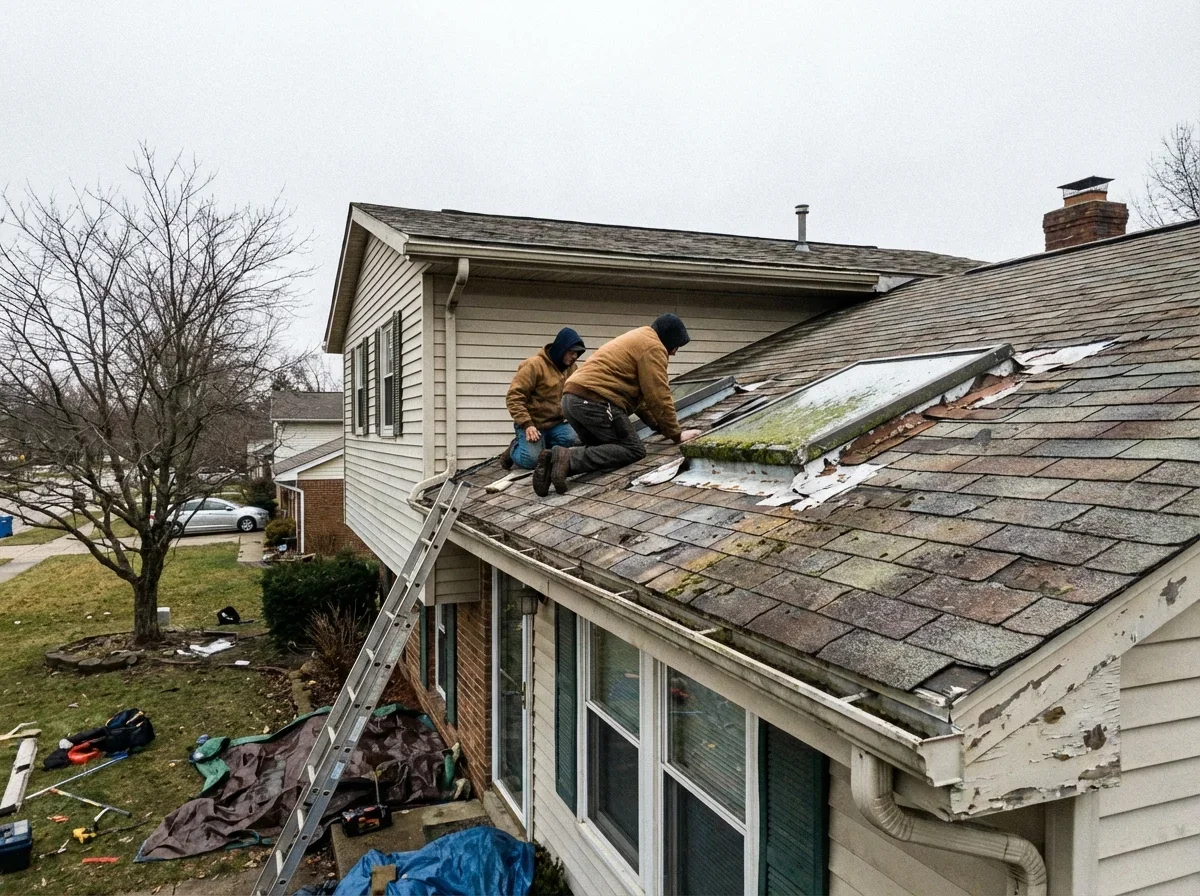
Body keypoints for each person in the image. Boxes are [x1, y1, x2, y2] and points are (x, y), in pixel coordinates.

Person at [533, 313, 696, 496]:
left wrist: (659, 426)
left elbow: (640, 400)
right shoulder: (653, 346)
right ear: (667, 339)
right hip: (596, 401)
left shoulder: (640, 338)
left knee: (607, 453)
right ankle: (567, 458)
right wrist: (676, 434)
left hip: (572, 400)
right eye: (675, 345)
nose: (674, 352)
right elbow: (658, 394)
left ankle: (552, 465)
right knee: (633, 449)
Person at [501, 327, 587, 470]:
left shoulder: (572, 368)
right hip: (533, 425)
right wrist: (527, 424)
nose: (574, 357)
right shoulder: (533, 365)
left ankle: (543, 445)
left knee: (577, 442)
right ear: (561, 349)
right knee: (533, 461)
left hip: (556, 423)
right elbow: (514, 397)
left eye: (577, 353)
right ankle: (512, 451)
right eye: (572, 352)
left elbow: (577, 392)